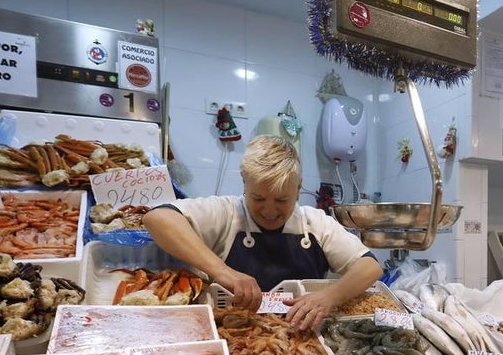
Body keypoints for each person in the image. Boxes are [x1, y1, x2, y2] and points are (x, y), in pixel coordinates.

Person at [143, 134, 382, 331]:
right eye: (258, 198)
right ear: (244, 183)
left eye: (281, 200)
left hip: (302, 331)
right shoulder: (226, 212)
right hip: (232, 332)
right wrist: (223, 272)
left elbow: (370, 266)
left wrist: (329, 296)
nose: (269, 211)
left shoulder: (316, 223)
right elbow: (157, 218)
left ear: (298, 189)